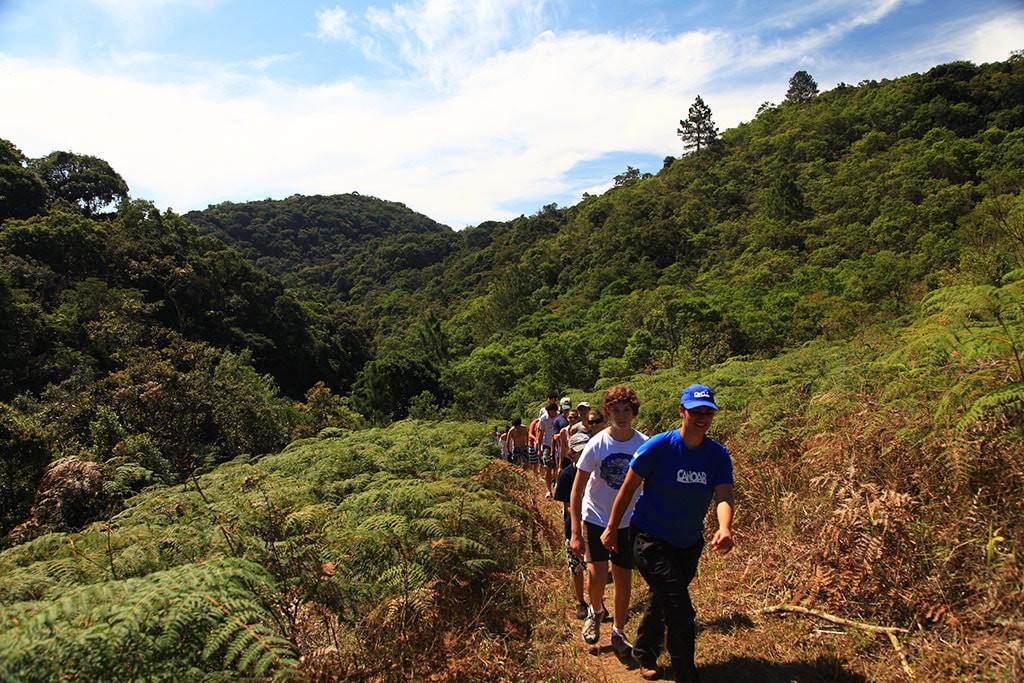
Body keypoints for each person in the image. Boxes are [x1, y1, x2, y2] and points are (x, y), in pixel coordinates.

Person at [601, 384, 735, 683]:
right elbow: (628, 488)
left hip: (688, 541)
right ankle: (685, 671)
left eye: (707, 412)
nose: (702, 418)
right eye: (695, 411)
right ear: (681, 412)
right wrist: (611, 527)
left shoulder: (717, 455)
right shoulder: (659, 446)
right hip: (649, 537)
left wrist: (724, 528)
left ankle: (644, 651)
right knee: (680, 606)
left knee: (664, 597)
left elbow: (723, 495)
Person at [569, 385, 647, 654]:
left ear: (633, 411)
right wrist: (576, 531)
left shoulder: (644, 444)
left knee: (624, 576)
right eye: (616, 410)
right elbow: (577, 489)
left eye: (626, 410)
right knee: (596, 573)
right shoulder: (597, 444)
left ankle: (619, 631)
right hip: (596, 516)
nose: (622, 416)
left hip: (629, 521)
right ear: (607, 412)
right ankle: (596, 610)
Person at [553, 430, 592, 620]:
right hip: (574, 528)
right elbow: (568, 506)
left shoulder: (596, 472)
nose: (584, 455)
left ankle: (597, 602)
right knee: (577, 568)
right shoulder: (567, 476)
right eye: (579, 452)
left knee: (593, 566)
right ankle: (580, 601)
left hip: (594, 525)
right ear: (571, 454)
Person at [537, 402, 561, 497]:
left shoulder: (560, 417)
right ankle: (548, 490)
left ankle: (557, 486)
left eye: (554, 412)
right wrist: (539, 448)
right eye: (550, 412)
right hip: (547, 444)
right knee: (548, 467)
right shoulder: (543, 419)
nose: (552, 414)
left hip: (559, 444)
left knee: (558, 467)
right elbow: (540, 434)